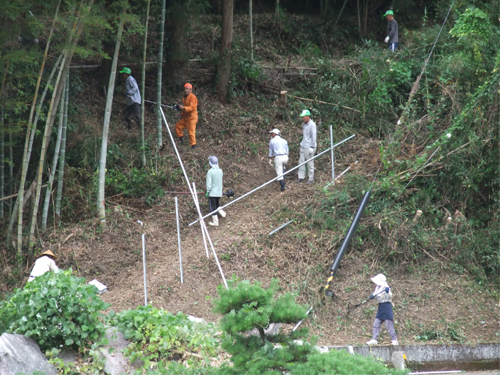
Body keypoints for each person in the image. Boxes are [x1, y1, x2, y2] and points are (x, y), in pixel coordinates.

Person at [366, 273, 399, 346]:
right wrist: (373, 297)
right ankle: (374, 339)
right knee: (376, 323)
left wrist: (387, 292)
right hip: (381, 306)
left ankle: (394, 340)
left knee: (389, 325)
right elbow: (376, 295)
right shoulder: (377, 287)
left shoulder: (386, 287)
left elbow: (390, 296)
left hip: (387, 306)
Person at [175, 83, 198, 149]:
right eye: (185, 89)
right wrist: (182, 114)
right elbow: (185, 109)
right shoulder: (184, 98)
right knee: (178, 126)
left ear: (191, 90)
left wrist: (183, 107)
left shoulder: (193, 97)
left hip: (192, 117)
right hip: (186, 117)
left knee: (191, 132)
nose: (186, 90)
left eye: (187, 89)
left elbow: (192, 108)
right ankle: (181, 139)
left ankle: (193, 145)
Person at [297, 110, 317, 184]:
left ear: (308, 116)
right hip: (303, 145)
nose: (302, 118)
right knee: (301, 161)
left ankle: (310, 178)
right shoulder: (304, 124)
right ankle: (301, 177)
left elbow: (314, 136)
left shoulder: (312, 124)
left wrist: (312, 146)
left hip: (309, 146)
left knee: (309, 162)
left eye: (303, 117)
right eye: (302, 117)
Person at [206, 155, 226, 226]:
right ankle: (223, 213)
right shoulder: (220, 171)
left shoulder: (210, 172)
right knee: (217, 204)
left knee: (213, 207)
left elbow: (209, 184)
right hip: (219, 192)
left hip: (212, 193)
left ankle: (215, 222)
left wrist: (208, 191)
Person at [268, 128, 289, 192]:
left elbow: (271, 151)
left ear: (274, 134)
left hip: (278, 157)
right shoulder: (284, 140)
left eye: (272, 133)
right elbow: (287, 150)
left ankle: (283, 188)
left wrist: (270, 158)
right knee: (283, 167)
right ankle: (284, 178)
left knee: (279, 173)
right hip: (285, 157)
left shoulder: (272, 141)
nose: (271, 135)